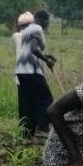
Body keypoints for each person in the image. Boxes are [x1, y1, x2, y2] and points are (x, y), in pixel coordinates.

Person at [16, 10, 57, 139]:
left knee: (29, 101)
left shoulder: (27, 29)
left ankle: (28, 132)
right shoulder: (38, 28)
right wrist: (46, 60)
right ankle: (42, 128)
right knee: (47, 100)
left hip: (21, 70)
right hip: (32, 70)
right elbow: (34, 49)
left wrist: (45, 56)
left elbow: (31, 48)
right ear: (44, 20)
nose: (47, 24)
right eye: (48, 21)